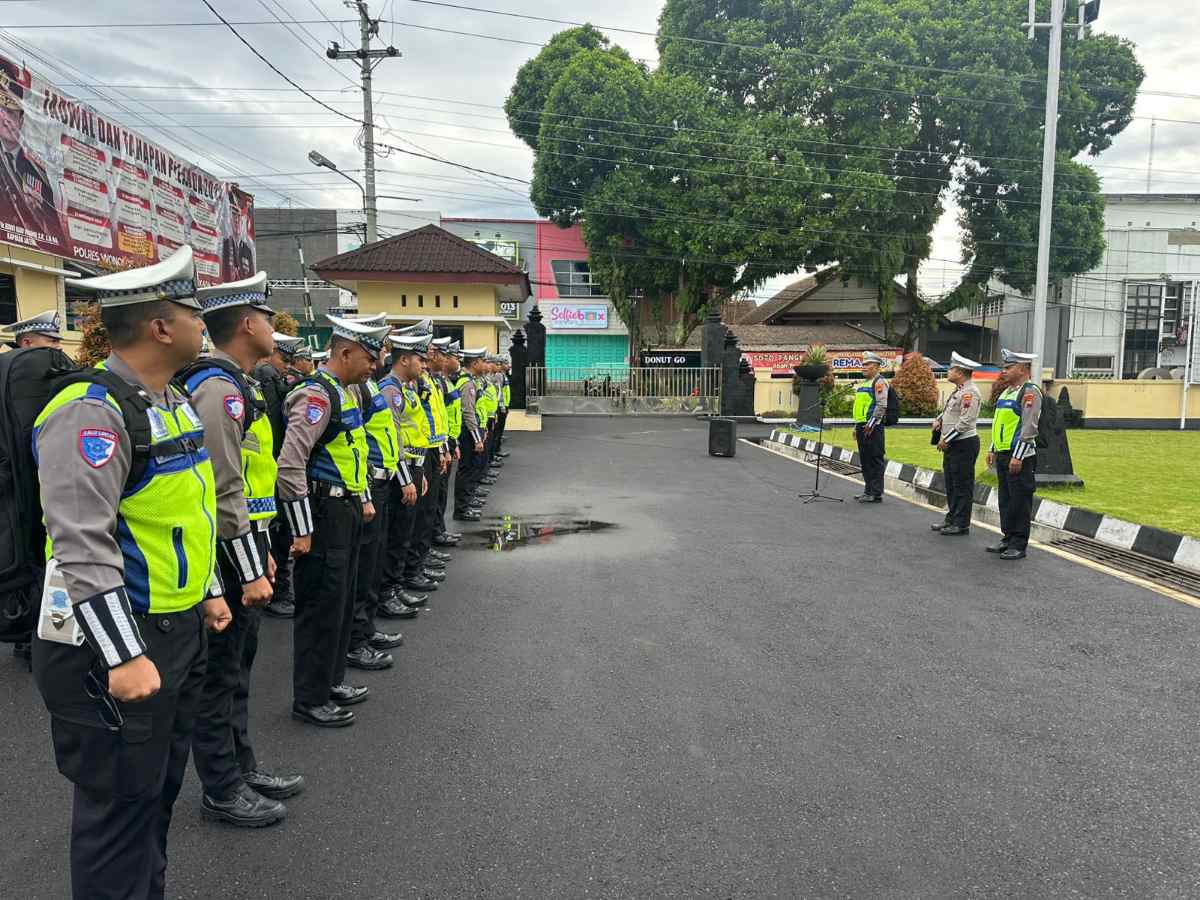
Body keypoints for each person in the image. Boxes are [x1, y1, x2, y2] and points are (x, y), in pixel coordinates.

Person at [31, 245, 230, 899]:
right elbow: (81, 545)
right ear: (160, 326)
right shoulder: (90, 410)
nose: (205, 324)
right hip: (118, 646)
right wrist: (124, 654)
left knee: (153, 797)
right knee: (117, 812)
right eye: (193, 312)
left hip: (175, 635)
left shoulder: (168, 401)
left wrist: (206, 592)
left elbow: (184, 515)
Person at [183, 273, 304, 827]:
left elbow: (249, 486)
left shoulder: (241, 385)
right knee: (219, 673)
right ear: (248, 324)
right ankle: (221, 787)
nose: (274, 329)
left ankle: (241, 764)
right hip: (226, 557)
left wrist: (261, 550)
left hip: (246, 546)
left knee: (239, 668)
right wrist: (250, 564)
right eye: (266, 317)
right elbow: (221, 487)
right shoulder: (219, 389)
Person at [276, 315, 386, 727]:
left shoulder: (344, 393)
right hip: (323, 515)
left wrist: (362, 499)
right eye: (368, 357)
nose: (374, 366)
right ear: (344, 352)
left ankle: (331, 681)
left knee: (339, 603)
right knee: (320, 608)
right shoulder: (317, 396)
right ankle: (309, 698)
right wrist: (301, 528)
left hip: (347, 510)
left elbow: (351, 454)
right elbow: (291, 464)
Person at [341, 313, 405, 672]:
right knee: (359, 569)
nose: (377, 361)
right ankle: (355, 640)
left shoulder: (363, 388)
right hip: (348, 495)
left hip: (368, 488)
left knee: (370, 564)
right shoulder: (344, 391)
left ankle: (363, 631)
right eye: (374, 353)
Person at [378, 332, 430, 614]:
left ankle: (396, 587)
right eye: (419, 359)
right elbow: (392, 438)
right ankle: (388, 592)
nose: (423, 364)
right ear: (405, 359)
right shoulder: (390, 390)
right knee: (397, 535)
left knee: (405, 531)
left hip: (413, 466)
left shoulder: (405, 388)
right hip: (401, 473)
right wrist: (407, 478)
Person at [253, 333, 304, 621]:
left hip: (271, 469)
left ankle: (280, 589)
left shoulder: (270, 377)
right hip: (268, 472)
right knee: (277, 536)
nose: (287, 366)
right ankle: (278, 591)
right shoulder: (266, 377)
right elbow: (274, 427)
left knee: (279, 536)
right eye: (284, 360)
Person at [0, 57, 67, 248]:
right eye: (2, 111)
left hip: (29, 252)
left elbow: (57, 235)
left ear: (21, 120)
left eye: (11, 113)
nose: (6, 120)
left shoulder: (36, 170)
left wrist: (39, 215)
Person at [987, 348, 1042, 560]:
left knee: (1020, 500)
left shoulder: (1029, 392)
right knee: (1006, 499)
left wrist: (1017, 456)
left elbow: (1029, 427)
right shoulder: (1007, 392)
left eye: (1009, 367)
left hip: (1019, 455)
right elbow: (1000, 423)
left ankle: (1019, 543)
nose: (1004, 371)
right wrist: (993, 448)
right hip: (1003, 453)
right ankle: (1008, 537)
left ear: (1023, 369)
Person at [931, 351, 983, 537]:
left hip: (963, 443)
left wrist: (947, 439)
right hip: (954, 443)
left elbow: (965, 421)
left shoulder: (970, 392)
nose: (948, 371)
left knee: (962, 484)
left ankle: (961, 523)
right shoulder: (959, 390)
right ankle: (952, 517)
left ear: (960, 372)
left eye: (952, 368)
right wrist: (939, 419)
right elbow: (950, 411)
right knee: (952, 483)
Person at [454, 349, 489, 523]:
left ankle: (467, 502)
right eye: (482, 361)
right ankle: (462, 509)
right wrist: (476, 438)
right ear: (474, 363)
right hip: (468, 433)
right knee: (466, 470)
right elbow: (468, 413)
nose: (485, 364)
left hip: (473, 430)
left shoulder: (472, 381)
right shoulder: (467, 383)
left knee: (471, 468)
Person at [852, 351, 891, 503]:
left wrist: (871, 424)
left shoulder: (879, 382)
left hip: (873, 427)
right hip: (862, 426)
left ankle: (875, 492)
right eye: (863, 364)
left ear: (875, 366)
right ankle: (868, 490)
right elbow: (860, 408)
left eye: (867, 364)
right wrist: (856, 426)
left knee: (874, 459)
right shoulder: (864, 383)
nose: (864, 367)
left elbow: (881, 405)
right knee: (865, 459)